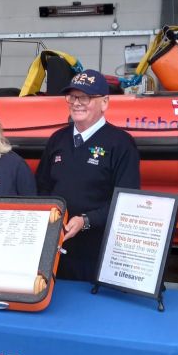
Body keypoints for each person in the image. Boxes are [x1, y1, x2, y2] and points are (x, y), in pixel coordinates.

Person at [36, 69, 140, 282]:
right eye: (72, 97)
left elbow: (126, 200)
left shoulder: (121, 144)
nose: (76, 103)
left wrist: (86, 220)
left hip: (95, 254)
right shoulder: (57, 139)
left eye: (85, 97)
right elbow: (42, 187)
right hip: (55, 251)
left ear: (104, 103)